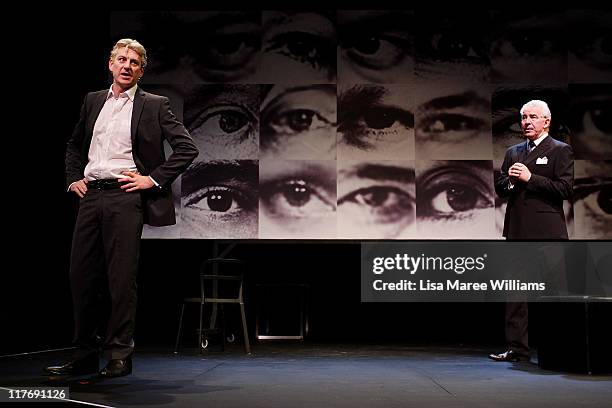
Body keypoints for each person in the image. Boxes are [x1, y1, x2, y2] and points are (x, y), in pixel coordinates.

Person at [45, 39, 198, 378]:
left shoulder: (155, 105)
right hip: (90, 197)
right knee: (81, 276)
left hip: (124, 197)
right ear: (110, 64)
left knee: (120, 278)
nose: (127, 66)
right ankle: (84, 353)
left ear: (142, 70)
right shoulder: (92, 100)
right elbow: (74, 145)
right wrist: (73, 179)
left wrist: (152, 180)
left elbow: (187, 148)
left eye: (134, 62)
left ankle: (118, 356)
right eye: (122, 60)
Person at [490, 100, 573, 362]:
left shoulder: (561, 150)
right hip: (517, 231)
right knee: (515, 293)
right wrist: (512, 182)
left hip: (548, 233)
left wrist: (530, 178)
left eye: (532, 117)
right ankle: (517, 349)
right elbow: (501, 187)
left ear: (546, 121)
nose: (526, 122)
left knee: (554, 292)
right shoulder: (513, 151)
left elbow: (565, 190)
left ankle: (560, 347)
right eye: (523, 117)